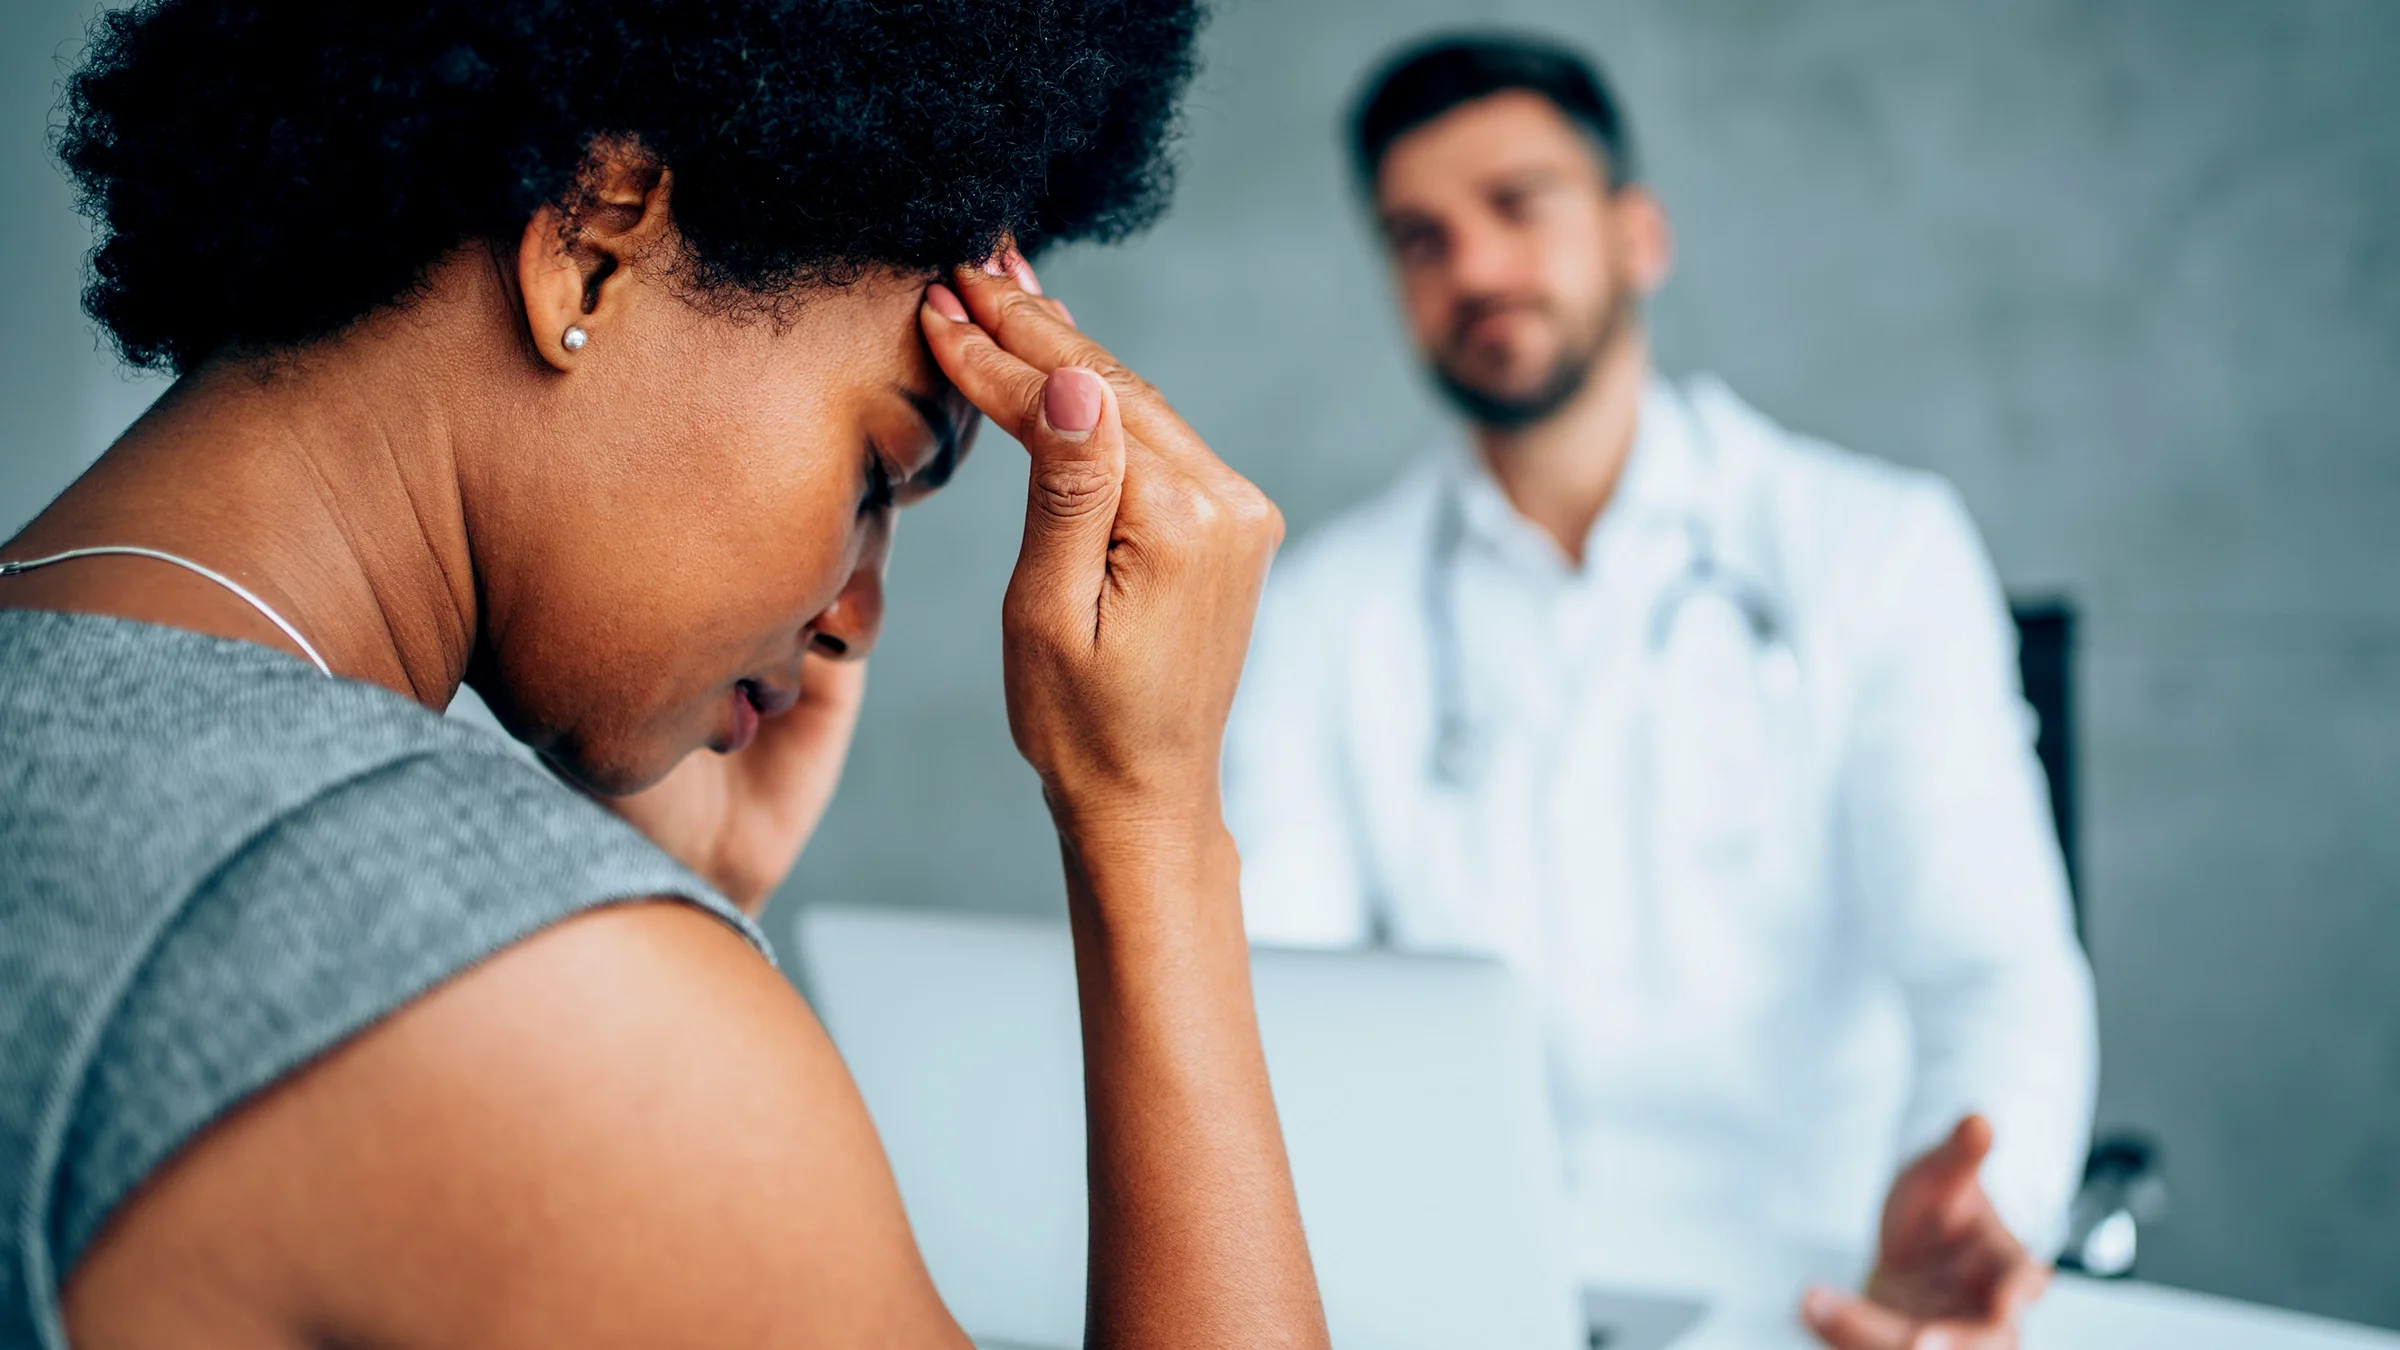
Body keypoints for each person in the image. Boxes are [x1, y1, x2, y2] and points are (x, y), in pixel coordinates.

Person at [0, 3, 1331, 1348]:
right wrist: (1148, 816)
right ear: (591, 251)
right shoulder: (529, 1005)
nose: (856, 616)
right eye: (880, 472)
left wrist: (651, 902)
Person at [1224, 32, 2097, 1350]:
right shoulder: (1319, 608)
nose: (1472, 267)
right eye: (1419, 238)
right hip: (1466, 1300)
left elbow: (1995, 966)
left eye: (1517, 205)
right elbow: (1277, 1012)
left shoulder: (1874, 546)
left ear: (1639, 236)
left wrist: (1987, 1212)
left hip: (1821, 1290)